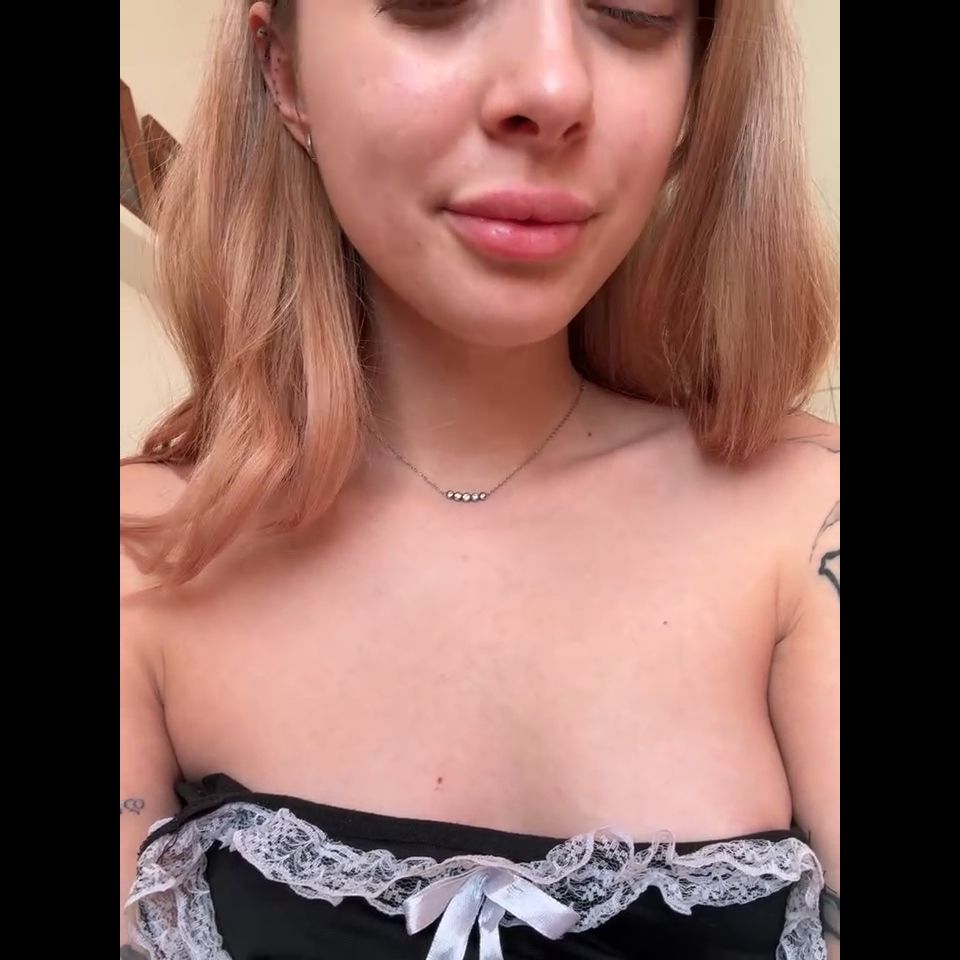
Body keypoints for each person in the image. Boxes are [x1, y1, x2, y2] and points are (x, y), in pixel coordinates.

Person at [120, 1, 840, 957]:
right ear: (284, 70)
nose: (552, 89)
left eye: (634, 8)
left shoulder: (805, 519)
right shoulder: (145, 558)